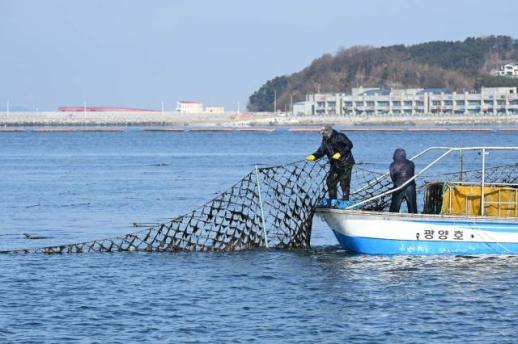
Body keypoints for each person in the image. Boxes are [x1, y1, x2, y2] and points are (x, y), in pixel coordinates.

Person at [306, 125, 355, 200]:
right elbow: (321, 151)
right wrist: (314, 156)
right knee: (330, 181)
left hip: (346, 163)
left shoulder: (339, 136)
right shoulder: (325, 140)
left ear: (329, 131)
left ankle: (345, 201)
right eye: (321, 132)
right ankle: (333, 200)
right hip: (335, 164)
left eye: (323, 132)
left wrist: (340, 154)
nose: (322, 133)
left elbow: (350, 145)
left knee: (344, 183)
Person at [389, 148, 417, 213]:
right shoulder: (411, 163)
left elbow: (392, 177)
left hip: (398, 186)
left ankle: (392, 218)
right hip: (410, 187)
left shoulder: (393, 165)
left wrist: (396, 184)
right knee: (412, 208)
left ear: (396, 155)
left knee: (394, 208)